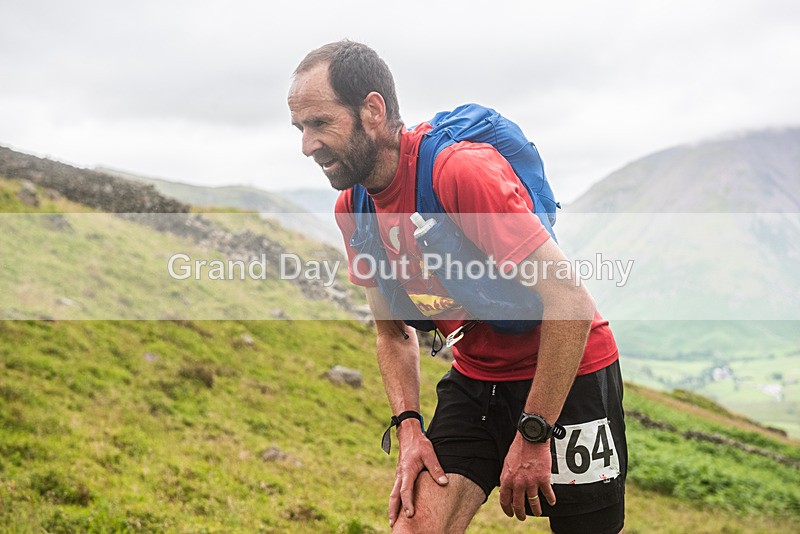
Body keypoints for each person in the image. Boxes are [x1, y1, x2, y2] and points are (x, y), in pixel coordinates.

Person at [288, 40, 627, 534]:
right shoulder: (353, 211)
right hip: (477, 383)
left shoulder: (458, 172)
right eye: (300, 129)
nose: (307, 145)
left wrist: (534, 433)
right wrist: (409, 430)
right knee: (414, 527)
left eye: (320, 123)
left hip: (568, 377)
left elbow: (570, 302)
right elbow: (393, 334)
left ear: (373, 110)